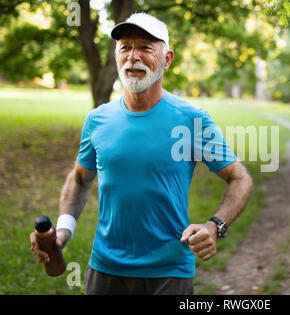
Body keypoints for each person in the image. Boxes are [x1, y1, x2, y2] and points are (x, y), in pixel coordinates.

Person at [29, 13, 253, 295]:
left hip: (168, 272)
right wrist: (62, 231)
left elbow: (239, 178)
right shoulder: (98, 120)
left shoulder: (190, 120)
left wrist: (215, 226)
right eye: (125, 47)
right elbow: (79, 179)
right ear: (116, 56)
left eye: (146, 47)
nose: (133, 56)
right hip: (105, 270)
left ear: (167, 59)